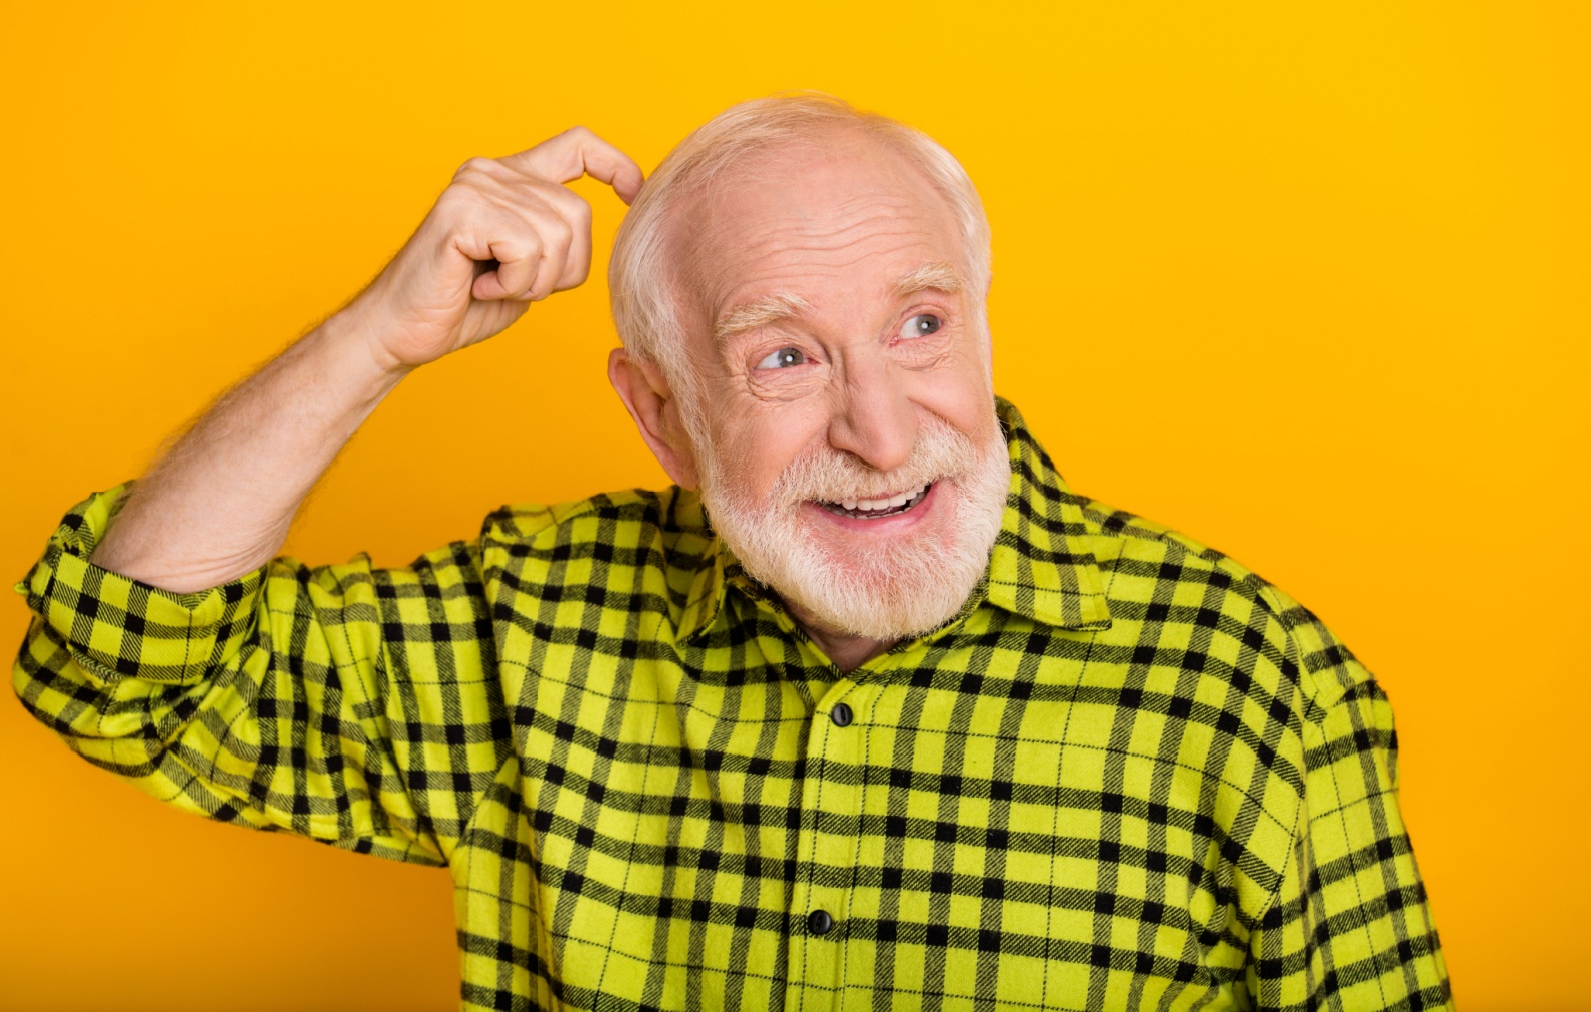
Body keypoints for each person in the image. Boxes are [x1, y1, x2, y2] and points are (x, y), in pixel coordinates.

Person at [12, 94, 1450, 1011]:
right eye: (784, 357)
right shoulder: (535, 626)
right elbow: (117, 667)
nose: (882, 433)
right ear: (665, 417)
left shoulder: (1252, 684)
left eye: (920, 326)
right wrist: (373, 340)